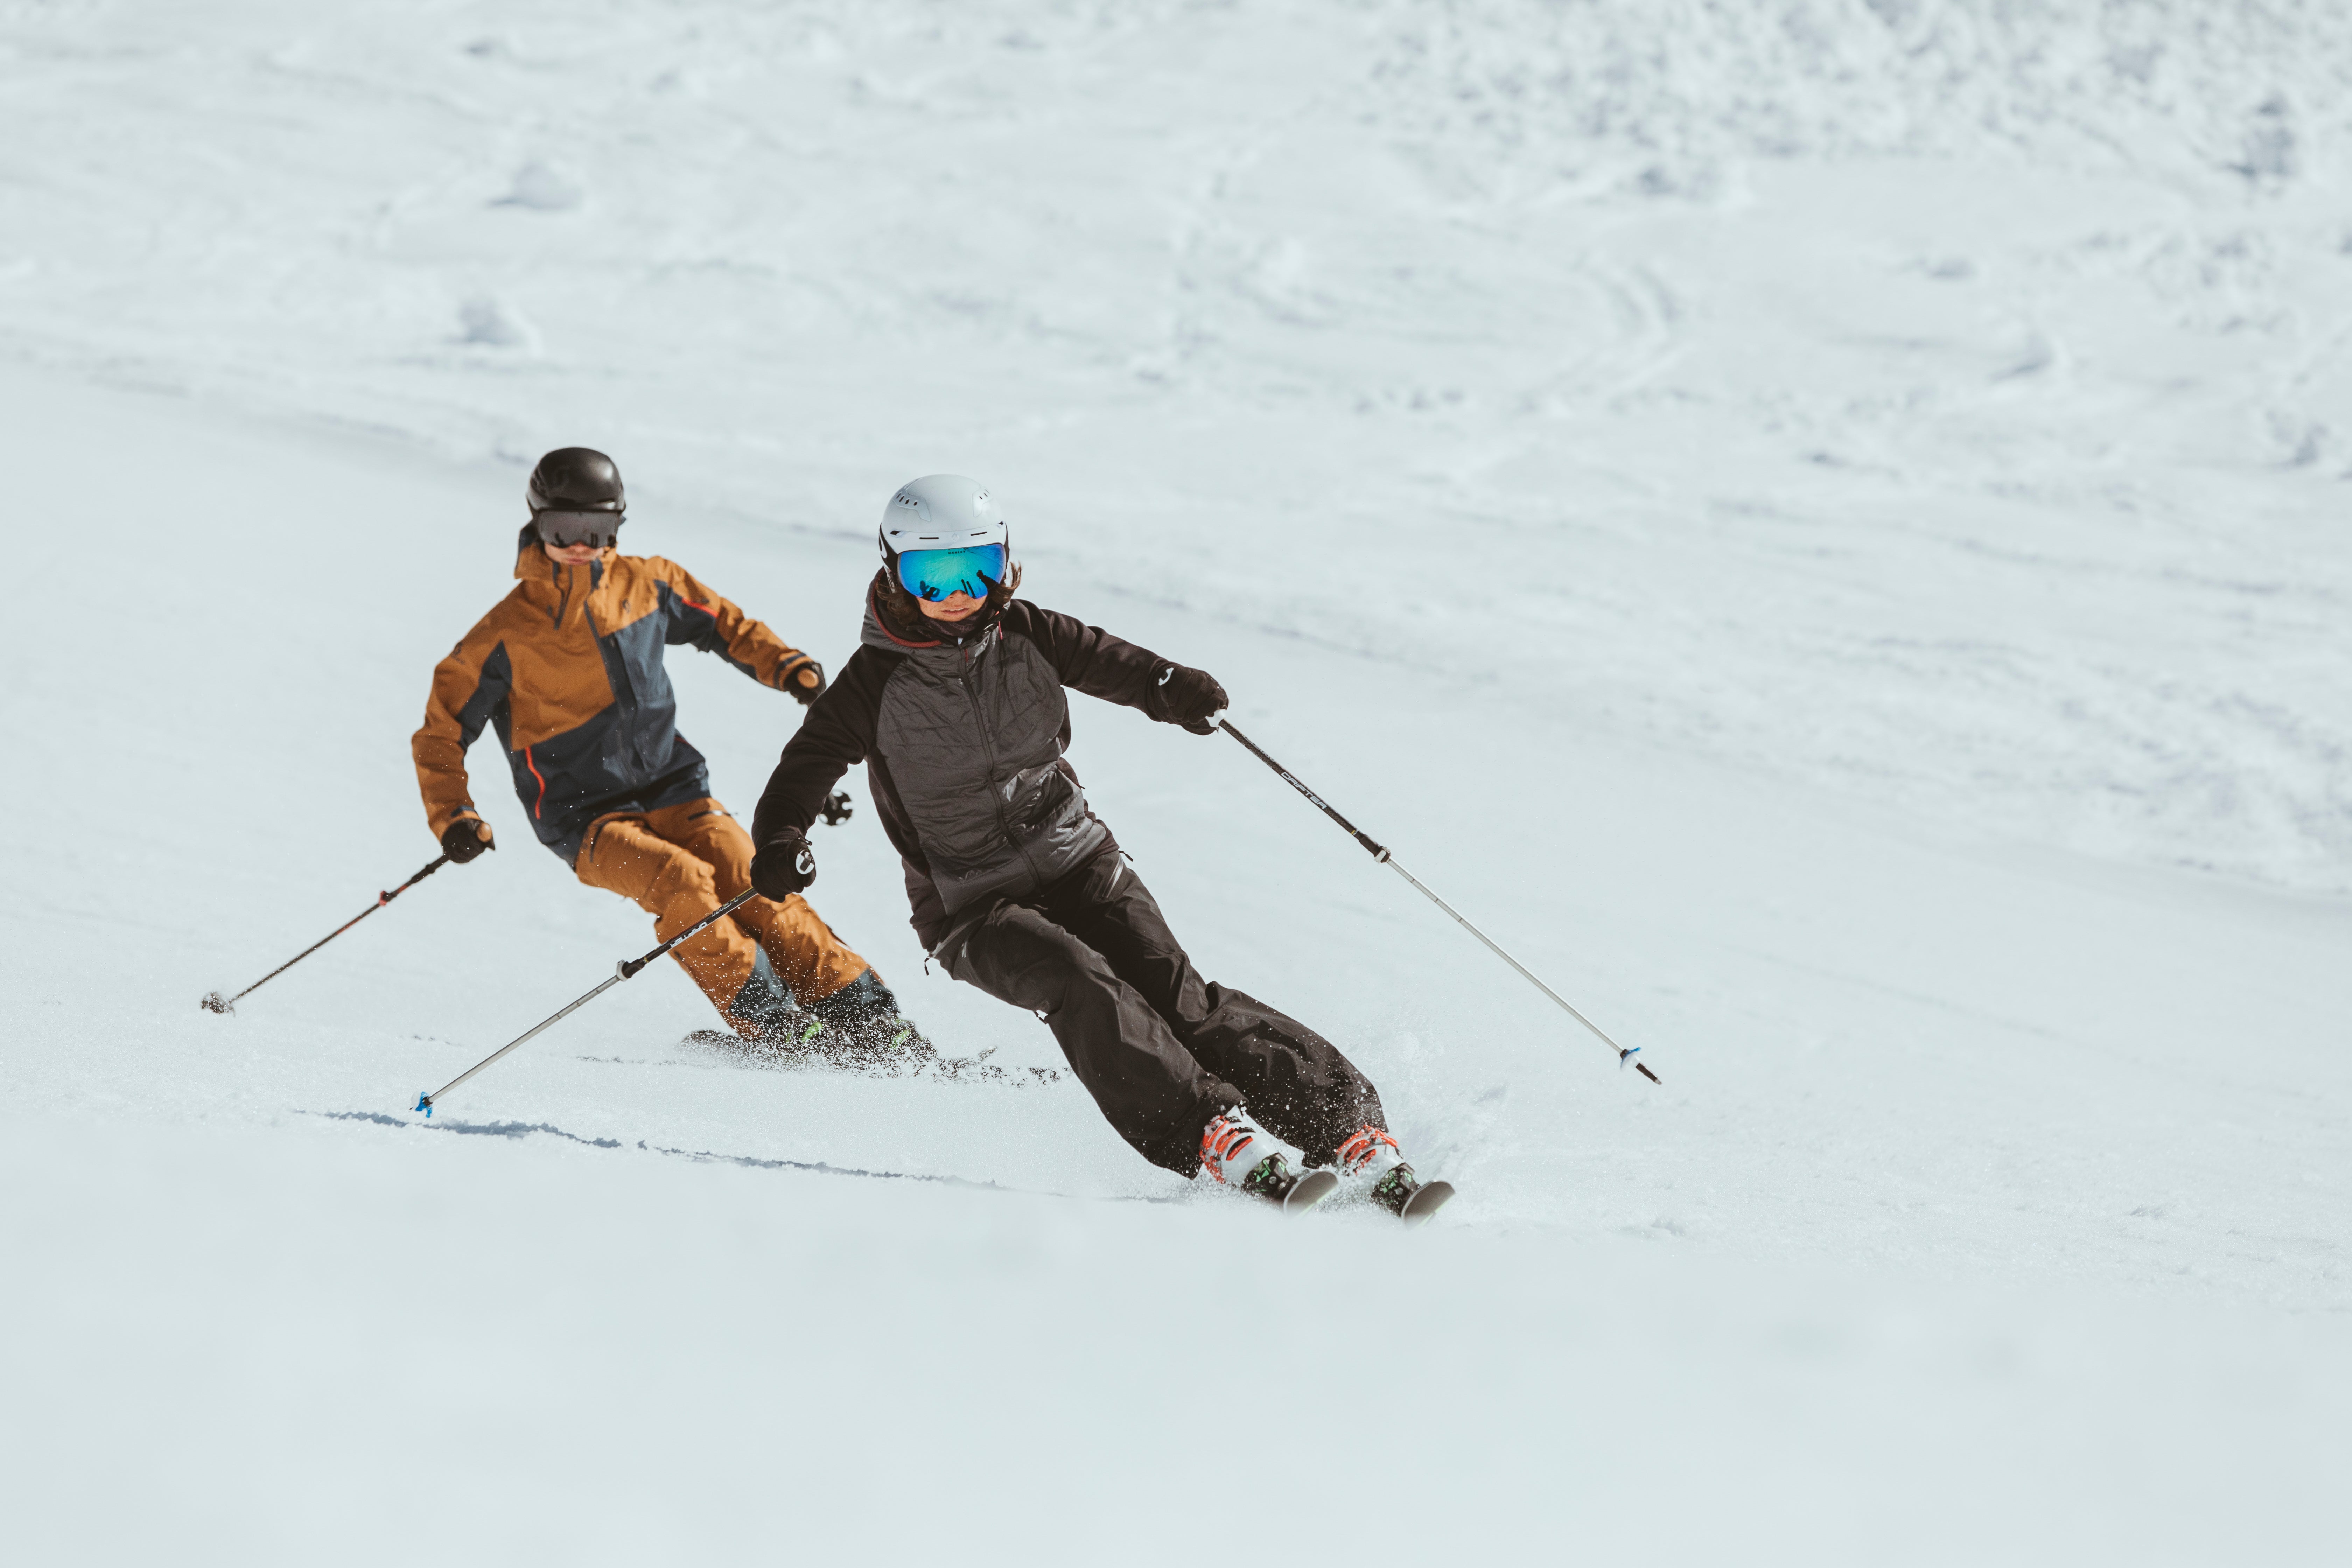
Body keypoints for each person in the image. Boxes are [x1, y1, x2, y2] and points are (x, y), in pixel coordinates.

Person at [747, 474, 1447, 1217]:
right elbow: (804, 769)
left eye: (977, 567)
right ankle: (1210, 1130)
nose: (959, 592)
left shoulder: (1028, 633)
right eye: (933, 574)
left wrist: (1173, 688)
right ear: (894, 572)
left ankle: (1349, 1132)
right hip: (970, 906)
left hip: (1078, 857)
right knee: (1075, 978)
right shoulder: (872, 683)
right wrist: (781, 838)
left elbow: (1118, 664)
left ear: (1004, 562)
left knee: (1183, 1001)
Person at [412, 447, 927, 1063]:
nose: (581, 546)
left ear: (618, 526)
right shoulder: (503, 634)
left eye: (597, 531)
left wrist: (787, 668)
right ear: (537, 524)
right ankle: (779, 1028)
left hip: (677, 787)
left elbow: (725, 625)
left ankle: (870, 1022)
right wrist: (455, 817)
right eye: (563, 531)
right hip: (585, 819)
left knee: (757, 879)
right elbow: (440, 734)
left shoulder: (648, 584)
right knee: (680, 881)